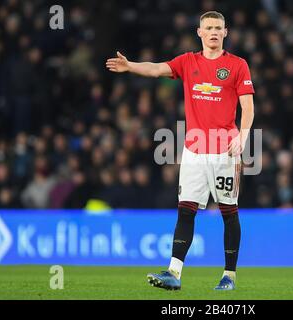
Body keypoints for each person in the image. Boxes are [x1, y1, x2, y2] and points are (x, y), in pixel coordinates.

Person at [106, 11, 255, 290]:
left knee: (228, 213)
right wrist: (131, 66)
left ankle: (229, 276)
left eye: (218, 28)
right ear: (199, 32)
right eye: (208, 27)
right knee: (185, 211)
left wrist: (243, 137)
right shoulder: (188, 62)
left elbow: (248, 106)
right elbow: (156, 68)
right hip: (194, 152)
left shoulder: (237, 65)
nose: (213, 32)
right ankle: (174, 273)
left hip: (224, 152)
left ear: (225, 32)